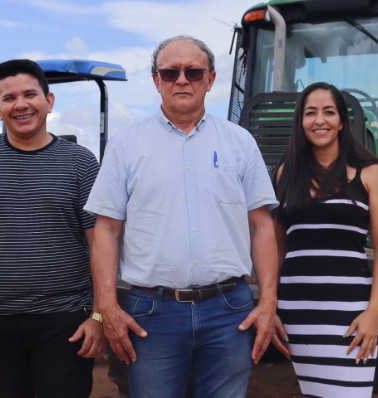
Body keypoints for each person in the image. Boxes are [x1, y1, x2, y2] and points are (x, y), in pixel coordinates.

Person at [84, 35, 284, 398]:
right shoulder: (126, 145)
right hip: (153, 314)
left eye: (193, 72)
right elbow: (107, 230)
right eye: (170, 72)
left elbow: (261, 226)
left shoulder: (240, 143)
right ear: (156, 80)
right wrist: (107, 307)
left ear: (210, 79)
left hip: (229, 310)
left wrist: (268, 301)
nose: (182, 80)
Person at [0, 59, 106, 398]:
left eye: (30, 94)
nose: (21, 104)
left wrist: (98, 317)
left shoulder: (80, 162)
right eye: (10, 98)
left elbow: (100, 241)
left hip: (65, 322)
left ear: (49, 101)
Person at [271, 82, 378, 397]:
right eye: (310, 113)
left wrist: (374, 312)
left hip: (351, 312)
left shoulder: (369, 171)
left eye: (329, 112)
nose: (319, 120)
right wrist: (269, 304)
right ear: (301, 121)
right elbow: (277, 247)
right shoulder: (284, 172)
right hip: (297, 310)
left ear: (342, 121)